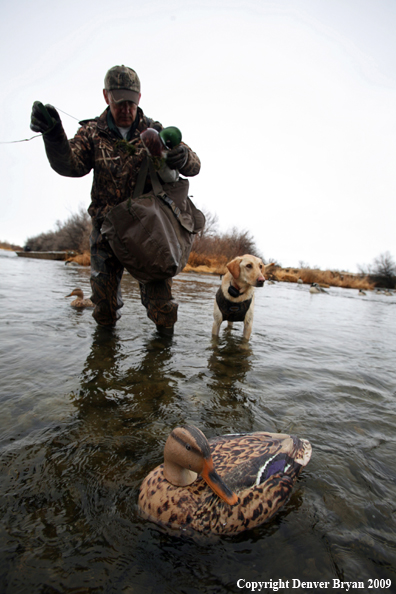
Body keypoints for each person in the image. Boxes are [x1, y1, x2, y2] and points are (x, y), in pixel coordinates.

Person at [30, 65, 201, 335]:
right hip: (106, 232)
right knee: (104, 309)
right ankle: (104, 368)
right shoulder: (91, 133)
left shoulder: (154, 130)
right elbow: (70, 165)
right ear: (106, 96)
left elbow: (193, 165)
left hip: (149, 232)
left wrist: (182, 155)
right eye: (120, 102)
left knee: (163, 309)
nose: (126, 109)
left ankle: (161, 364)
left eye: (131, 102)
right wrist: (53, 135)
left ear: (139, 99)